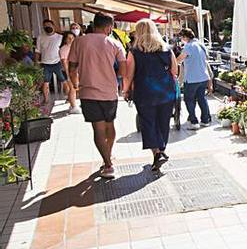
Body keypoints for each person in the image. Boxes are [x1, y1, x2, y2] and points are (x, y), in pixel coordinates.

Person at [68, 13, 127, 179]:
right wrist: (121, 84)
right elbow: (123, 70)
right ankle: (108, 156)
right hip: (109, 92)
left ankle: (107, 163)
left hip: (88, 92)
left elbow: (72, 68)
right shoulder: (114, 43)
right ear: (109, 27)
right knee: (110, 125)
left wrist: (75, 84)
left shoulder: (78, 42)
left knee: (98, 128)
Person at [122, 20, 178, 172]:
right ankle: (162, 147)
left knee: (148, 122)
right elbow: (175, 72)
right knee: (163, 121)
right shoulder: (167, 50)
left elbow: (128, 75)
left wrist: (125, 90)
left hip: (144, 92)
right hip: (166, 92)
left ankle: (156, 152)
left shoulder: (134, 53)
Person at [176, 28, 213, 130]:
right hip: (203, 77)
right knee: (202, 99)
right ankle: (205, 120)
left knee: (189, 100)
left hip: (192, 79)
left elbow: (179, 59)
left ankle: (194, 122)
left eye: (181, 38)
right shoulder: (201, 44)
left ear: (185, 37)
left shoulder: (189, 46)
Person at [35, 19, 66, 108]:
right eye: (45, 26)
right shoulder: (40, 37)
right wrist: (36, 62)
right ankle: (46, 100)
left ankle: (69, 97)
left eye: (49, 25)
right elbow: (38, 51)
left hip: (57, 63)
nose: (47, 27)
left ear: (53, 26)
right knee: (45, 83)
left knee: (64, 81)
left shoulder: (60, 37)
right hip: (45, 64)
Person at [58, 31, 80, 114]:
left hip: (74, 71)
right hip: (68, 71)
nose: (71, 40)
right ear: (65, 40)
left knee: (74, 88)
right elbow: (64, 63)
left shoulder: (73, 48)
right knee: (72, 89)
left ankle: (72, 105)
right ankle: (74, 107)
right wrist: (68, 75)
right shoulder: (64, 49)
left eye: (72, 38)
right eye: (69, 38)